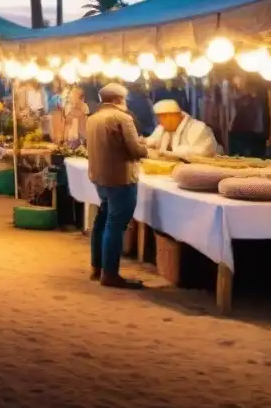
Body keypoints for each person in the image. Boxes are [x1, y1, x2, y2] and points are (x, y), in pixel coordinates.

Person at [86, 83, 149, 289]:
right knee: (115, 224)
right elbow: (135, 151)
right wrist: (145, 147)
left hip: (100, 178)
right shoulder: (123, 118)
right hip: (121, 179)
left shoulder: (93, 118)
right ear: (117, 100)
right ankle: (110, 274)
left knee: (103, 219)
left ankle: (97, 267)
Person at [145, 98, 218, 157]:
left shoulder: (198, 128)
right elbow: (153, 140)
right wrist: (144, 142)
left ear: (171, 116)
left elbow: (204, 152)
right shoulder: (162, 128)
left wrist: (169, 153)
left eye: (161, 119)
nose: (160, 123)